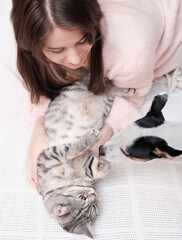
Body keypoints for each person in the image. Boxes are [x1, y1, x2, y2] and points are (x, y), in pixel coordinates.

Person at [11, 0, 182, 189]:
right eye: (57, 50)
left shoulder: (129, 52)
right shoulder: (41, 39)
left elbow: (128, 99)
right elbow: (44, 85)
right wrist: (38, 129)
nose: (75, 59)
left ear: (92, 24)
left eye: (83, 40)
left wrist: (97, 141)